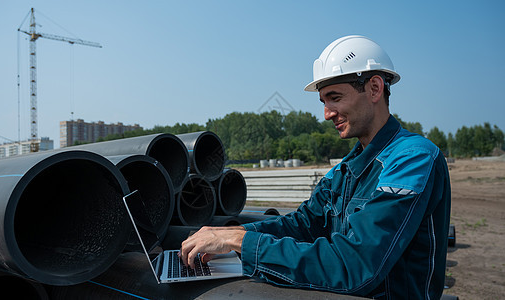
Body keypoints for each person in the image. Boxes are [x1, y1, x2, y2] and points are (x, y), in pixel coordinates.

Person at [180, 35, 451, 299]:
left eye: (335, 98)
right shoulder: (344, 171)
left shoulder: (412, 159)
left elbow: (357, 266)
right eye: (323, 101)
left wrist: (240, 243)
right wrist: (233, 233)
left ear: (374, 88)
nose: (327, 113)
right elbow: (303, 225)